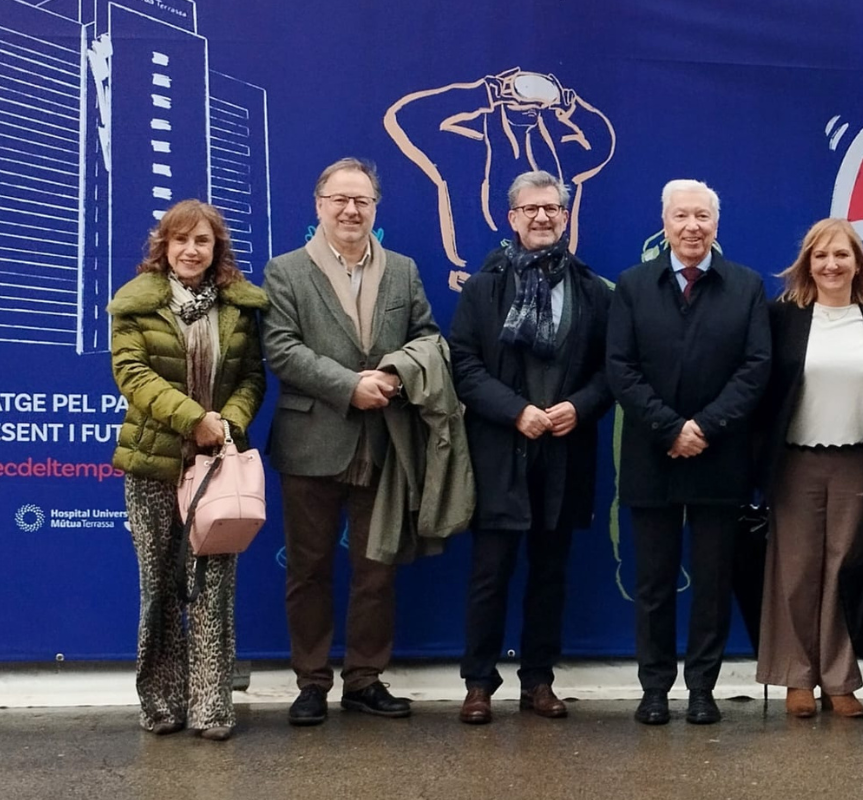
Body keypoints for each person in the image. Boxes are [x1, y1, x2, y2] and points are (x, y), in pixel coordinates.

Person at [263, 158, 439, 726]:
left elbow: (429, 340)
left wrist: (392, 376)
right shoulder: (285, 271)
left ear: (374, 208)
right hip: (310, 440)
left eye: (362, 201)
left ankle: (364, 679)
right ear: (318, 206)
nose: (350, 210)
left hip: (384, 441)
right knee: (308, 570)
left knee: (376, 570)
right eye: (339, 199)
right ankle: (311, 682)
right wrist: (350, 386)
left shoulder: (404, 271)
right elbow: (282, 350)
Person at [448, 170, 614, 724]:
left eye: (553, 209)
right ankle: (478, 684)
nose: (543, 218)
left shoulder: (593, 290)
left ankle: (538, 681)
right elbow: (464, 365)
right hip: (500, 452)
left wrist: (580, 407)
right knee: (488, 575)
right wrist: (515, 410)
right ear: (511, 217)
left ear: (566, 218)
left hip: (565, 454)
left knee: (550, 575)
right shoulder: (483, 286)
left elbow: (611, 372)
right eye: (531, 209)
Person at [606, 179, 770, 725]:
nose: (692, 226)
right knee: (653, 584)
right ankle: (655, 689)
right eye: (681, 216)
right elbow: (621, 368)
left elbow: (756, 369)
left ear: (716, 225)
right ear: (665, 224)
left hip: (720, 457)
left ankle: (703, 688)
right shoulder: (632, 286)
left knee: (712, 583)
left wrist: (704, 427)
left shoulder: (746, 288)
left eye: (702, 216)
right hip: (651, 458)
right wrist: (670, 428)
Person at [108, 199, 268, 742]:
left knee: (213, 589)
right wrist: (193, 418)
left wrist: (227, 424)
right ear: (165, 247)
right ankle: (161, 703)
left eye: (202, 241)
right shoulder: (134, 307)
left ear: (216, 248)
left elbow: (253, 378)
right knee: (159, 587)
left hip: (216, 469)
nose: (191, 250)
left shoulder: (241, 308)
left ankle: (211, 708)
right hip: (153, 465)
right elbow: (131, 373)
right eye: (181, 241)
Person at [755, 218, 863, 719]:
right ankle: (797, 677)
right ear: (806, 264)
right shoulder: (783, 315)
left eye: (841, 255)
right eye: (820, 256)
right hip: (796, 460)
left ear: (858, 263)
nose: (831, 265)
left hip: (862, 462)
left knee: (846, 568)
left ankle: (840, 679)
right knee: (796, 572)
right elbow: (762, 391)